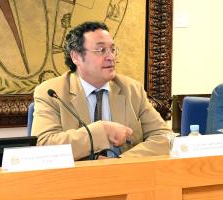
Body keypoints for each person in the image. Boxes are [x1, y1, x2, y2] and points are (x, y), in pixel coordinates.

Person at [32, 21, 171, 160]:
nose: (111, 57)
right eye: (101, 50)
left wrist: (121, 162)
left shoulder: (132, 89)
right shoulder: (52, 92)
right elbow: (44, 146)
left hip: (124, 176)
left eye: (112, 49)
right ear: (76, 57)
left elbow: (165, 137)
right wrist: (102, 131)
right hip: (75, 178)